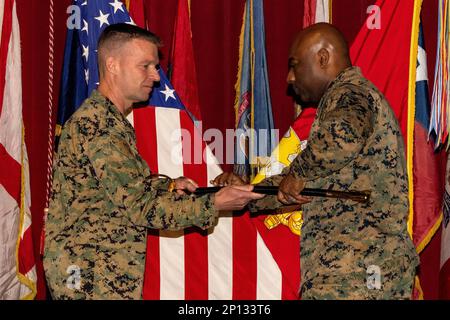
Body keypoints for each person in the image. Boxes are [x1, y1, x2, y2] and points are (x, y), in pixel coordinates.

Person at [43, 23, 264, 300]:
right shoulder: (99, 126)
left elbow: (113, 194)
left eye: (155, 66)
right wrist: (215, 203)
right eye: (145, 66)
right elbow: (140, 208)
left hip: (101, 273)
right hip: (88, 278)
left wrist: (168, 187)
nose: (156, 77)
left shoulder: (110, 122)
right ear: (112, 65)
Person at [214, 23, 419, 299]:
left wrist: (297, 173)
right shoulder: (338, 108)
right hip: (347, 273)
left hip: (360, 274)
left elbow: (341, 136)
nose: (289, 77)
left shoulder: (351, 93)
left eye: (295, 65)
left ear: (322, 58)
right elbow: (305, 183)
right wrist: (247, 193)